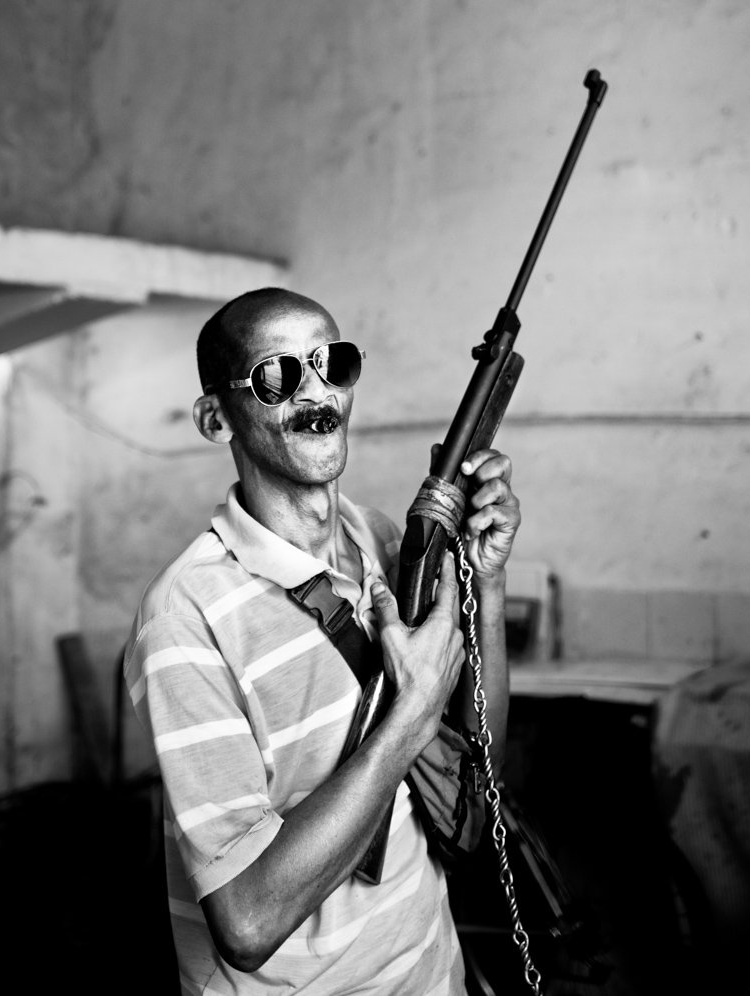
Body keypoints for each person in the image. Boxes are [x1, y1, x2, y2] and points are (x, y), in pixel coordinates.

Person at [123, 287, 520, 994]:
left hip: (432, 972)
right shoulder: (186, 617)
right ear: (217, 419)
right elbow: (245, 923)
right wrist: (409, 716)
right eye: (279, 376)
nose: (318, 394)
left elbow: (476, 762)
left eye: (332, 364)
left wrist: (486, 581)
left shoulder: (386, 542)